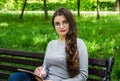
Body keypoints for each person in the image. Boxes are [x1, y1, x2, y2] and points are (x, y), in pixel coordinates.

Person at [8, 7, 88, 81]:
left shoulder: (79, 43)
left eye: (65, 22)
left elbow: (83, 75)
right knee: (15, 77)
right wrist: (40, 72)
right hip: (45, 80)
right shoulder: (51, 44)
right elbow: (45, 67)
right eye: (57, 23)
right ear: (54, 26)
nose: (61, 26)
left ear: (70, 23)